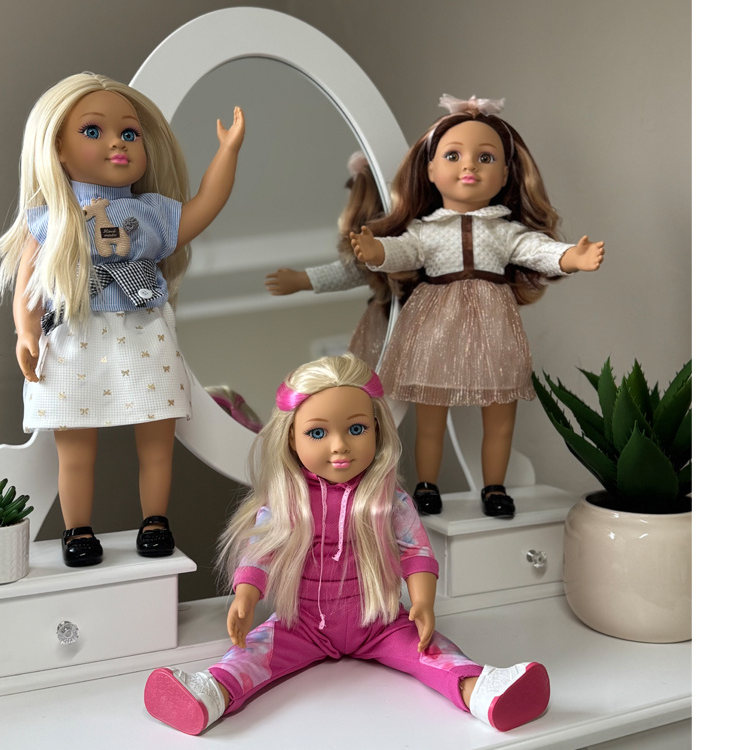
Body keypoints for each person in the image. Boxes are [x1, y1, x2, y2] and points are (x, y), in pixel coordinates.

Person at [143, 354, 550, 735]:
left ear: (377, 430)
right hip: (301, 624)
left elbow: (416, 552)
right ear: (291, 439)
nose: (339, 446)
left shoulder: (387, 499)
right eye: (317, 433)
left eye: (356, 429)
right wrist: (246, 597)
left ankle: (482, 691)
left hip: (380, 622)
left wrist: (423, 603)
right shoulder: (287, 500)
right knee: (253, 654)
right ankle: (210, 694)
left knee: (431, 653)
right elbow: (261, 551)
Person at [0, 72, 244, 566]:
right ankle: (77, 530)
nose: (117, 143)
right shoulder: (51, 216)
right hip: (74, 335)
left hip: (142, 333)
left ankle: (155, 521)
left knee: (157, 442)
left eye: (129, 132)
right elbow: (30, 282)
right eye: (93, 131)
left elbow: (204, 207)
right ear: (57, 147)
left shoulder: (152, 213)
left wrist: (228, 152)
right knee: (74, 449)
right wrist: (25, 331)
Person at [350, 95, 604, 518]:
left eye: (485, 157)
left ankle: (495, 488)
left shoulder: (504, 231)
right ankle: (427, 485)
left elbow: (536, 249)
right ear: (430, 170)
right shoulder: (426, 231)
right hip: (433, 328)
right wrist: (377, 251)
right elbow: (403, 251)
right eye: (453, 155)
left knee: (500, 418)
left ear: (504, 174)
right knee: (431, 418)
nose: (469, 166)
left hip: (493, 329)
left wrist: (570, 257)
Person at [264, 152, 413, 371]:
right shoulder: (369, 261)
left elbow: (352, 271)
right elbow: (353, 270)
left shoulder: (411, 237)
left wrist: (303, 280)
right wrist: (303, 280)